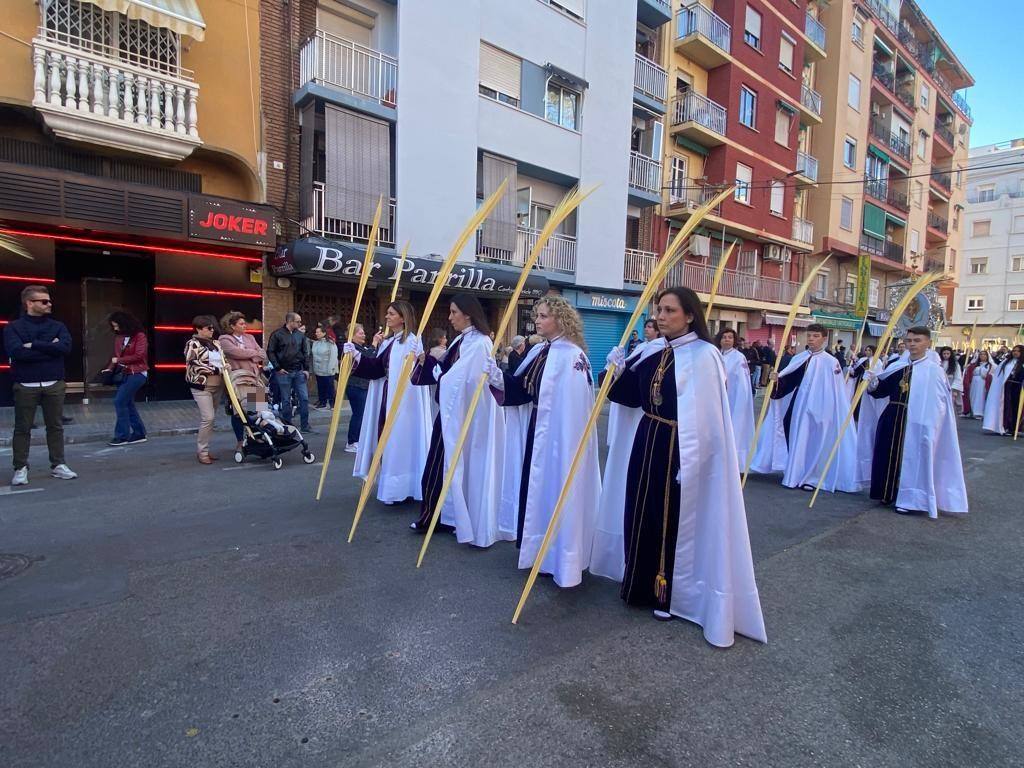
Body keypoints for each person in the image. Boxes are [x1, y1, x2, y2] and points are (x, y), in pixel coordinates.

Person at [599, 287, 765, 647]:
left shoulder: (704, 356)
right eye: (659, 310)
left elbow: (708, 419)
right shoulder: (656, 351)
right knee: (639, 511)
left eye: (669, 310)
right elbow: (626, 395)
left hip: (679, 447)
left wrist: (697, 462)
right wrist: (616, 370)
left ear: (690, 315)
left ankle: (665, 592)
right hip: (648, 437)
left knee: (667, 519)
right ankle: (637, 584)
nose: (660, 316)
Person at [486, 296, 600, 587]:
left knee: (557, 488)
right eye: (537, 315)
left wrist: (565, 442)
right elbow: (524, 388)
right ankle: (540, 551)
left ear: (561, 319)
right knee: (538, 490)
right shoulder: (541, 351)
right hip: (540, 431)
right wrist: (497, 376)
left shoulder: (572, 356)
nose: (537, 320)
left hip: (560, 439)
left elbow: (576, 408)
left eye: (544, 315)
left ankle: (560, 557)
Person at [410, 294, 507, 546]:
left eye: (454, 312)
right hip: (453, 413)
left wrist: (439, 374)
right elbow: (452, 372)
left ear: (468, 313)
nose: (450, 317)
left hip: (464, 415)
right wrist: (430, 363)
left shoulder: (480, 342)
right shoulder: (463, 340)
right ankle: (439, 516)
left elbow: (467, 379)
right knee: (438, 464)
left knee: (443, 465)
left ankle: (438, 516)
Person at [865, 326, 968, 516]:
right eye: (909, 340)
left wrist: (931, 424)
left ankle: (912, 498)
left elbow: (939, 404)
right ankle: (887, 492)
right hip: (893, 416)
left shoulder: (934, 371)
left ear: (928, 343)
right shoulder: (898, 366)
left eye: (917, 340)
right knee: (887, 454)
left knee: (914, 458)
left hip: (918, 422)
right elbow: (881, 391)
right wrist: (872, 382)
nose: (912, 344)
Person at [750, 323, 859, 493]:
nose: (811, 339)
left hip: (822, 407)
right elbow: (789, 381)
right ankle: (795, 471)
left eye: (815, 336)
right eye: (809, 336)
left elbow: (836, 391)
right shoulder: (799, 358)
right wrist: (777, 380)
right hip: (800, 404)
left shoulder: (831, 362)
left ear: (824, 338)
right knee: (793, 432)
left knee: (816, 441)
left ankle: (813, 476)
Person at [345, 301, 432, 504]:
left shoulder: (412, 341)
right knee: (387, 440)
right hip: (387, 397)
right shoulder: (389, 341)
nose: (387, 317)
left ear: (402, 317)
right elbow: (377, 368)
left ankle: (403, 488)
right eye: (387, 313)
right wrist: (356, 353)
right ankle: (393, 488)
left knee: (400, 442)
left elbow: (414, 376)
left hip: (405, 405)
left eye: (391, 314)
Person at [4, 284, 77, 485]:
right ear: (29, 303)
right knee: (22, 428)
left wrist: (34, 345)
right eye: (44, 301)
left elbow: (65, 348)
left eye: (50, 301)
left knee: (55, 426)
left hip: (54, 383)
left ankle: (58, 464)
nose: (49, 304)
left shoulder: (58, 326)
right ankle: (20, 467)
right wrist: (50, 347)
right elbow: (16, 352)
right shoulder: (14, 327)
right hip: (25, 384)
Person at [219, 311, 266, 450]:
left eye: (244, 323)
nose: (245, 325)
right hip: (238, 381)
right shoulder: (224, 339)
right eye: (241, 323)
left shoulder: (250, 337)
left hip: (255, 378)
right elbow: (234, 353)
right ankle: (240, 441)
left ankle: (257, 438)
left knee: (258, 410)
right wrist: (253, 353)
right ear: (232, 326)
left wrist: (250, 353)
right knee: (239, 411)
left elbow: (262, 354)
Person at [184, 315, 227, 464]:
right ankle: (202, 451)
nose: (212, 330)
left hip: (220, 384)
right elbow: (193, 363)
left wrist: (224, 367)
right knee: (208, 418)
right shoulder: (193, 343)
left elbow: (224, 360)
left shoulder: (216, 343)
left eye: (213, 327)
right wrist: (217, 369)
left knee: (212, 419)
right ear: (198, 329)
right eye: (208, 328)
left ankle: (206, 450)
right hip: (202, 385)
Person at [107, 311, 148, 446]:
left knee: (119, 401)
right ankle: (139, 433)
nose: (115, 329)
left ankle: (122, 435)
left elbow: (139, 355)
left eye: (117, 325)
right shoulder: (119, 338)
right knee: (127, 403)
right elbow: (116, 356)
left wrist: (119, 360)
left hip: (137, 372)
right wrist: (110, 368)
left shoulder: (140, 336)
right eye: (113, 326)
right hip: (124, 373)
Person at [266, 312, 312, 433]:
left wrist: (306, 369)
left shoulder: (300, 335)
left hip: (298, 371)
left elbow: (305, 353)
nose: (300, 323)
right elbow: (270, 351)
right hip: (283, 372)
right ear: (290, 321)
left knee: (304, 398)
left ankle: (305, 426)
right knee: (285, 400)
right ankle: (288, 426)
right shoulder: (277, 334)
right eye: (298, 321)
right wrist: (277, 368)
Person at [716, 327, 755, 469]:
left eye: (730, 337)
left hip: (732, 400)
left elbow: (743, 385)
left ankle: (735, 463)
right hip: (716, 400)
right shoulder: (716, 355)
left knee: (733, 430)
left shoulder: (739, 358)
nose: (727, 339)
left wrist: (741, 403)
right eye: (724, 337)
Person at [343, 323, 374, 453]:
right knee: (358, 414)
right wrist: (374, 344)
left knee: (361, 414)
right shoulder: (351, 348)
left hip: (362, 385)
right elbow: (369, 358)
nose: (364, 335)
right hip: (356, 385)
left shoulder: (361, 347)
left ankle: (357, 439)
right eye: (360, 333)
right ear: (353, 335)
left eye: (363, 333)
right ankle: (352, 442)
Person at [982, 345, 1023, 436]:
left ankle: (1017, 428)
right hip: (1008, 388)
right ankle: (1007, 427)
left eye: (1018, 351)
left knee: (1018, 408)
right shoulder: (1007, 362)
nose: (1015, 352)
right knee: (1008, 407)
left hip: (1020, 388)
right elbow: (999, 376)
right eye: (1014, 351)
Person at [311, 325, 339, 409]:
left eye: (318, 332)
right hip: (318, 369)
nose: (316, 334)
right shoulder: (315, 343)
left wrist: (331, 369)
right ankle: (322, 401)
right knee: (320, 386)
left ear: (324, 333)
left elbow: (333, 357)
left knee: (329, 387)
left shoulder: (330, 343)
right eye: (316, 332)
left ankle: (332, 403)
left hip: (328, 369)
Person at [963, 350, 993, 419]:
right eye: (981, 354)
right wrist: (966, 368)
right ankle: (972, 412)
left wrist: (988, 376)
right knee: (973, 396)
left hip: (983, 383)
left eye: (984, 354)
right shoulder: (975, 364)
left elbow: (993, 374)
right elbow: (968, 371)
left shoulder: (990, 365)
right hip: (974, 382)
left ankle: (979, 413)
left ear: (987, 356)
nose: (982, 356)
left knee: (981, 397)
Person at [938, 346, 964, 415]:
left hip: (950, 386)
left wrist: (954, 390)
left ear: (951, 354)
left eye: (947, 353)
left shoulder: (955, 364)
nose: (946, 355)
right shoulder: (938, 363)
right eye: (944, 354)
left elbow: (958, 377)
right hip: (940, 386)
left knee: (950, 406)